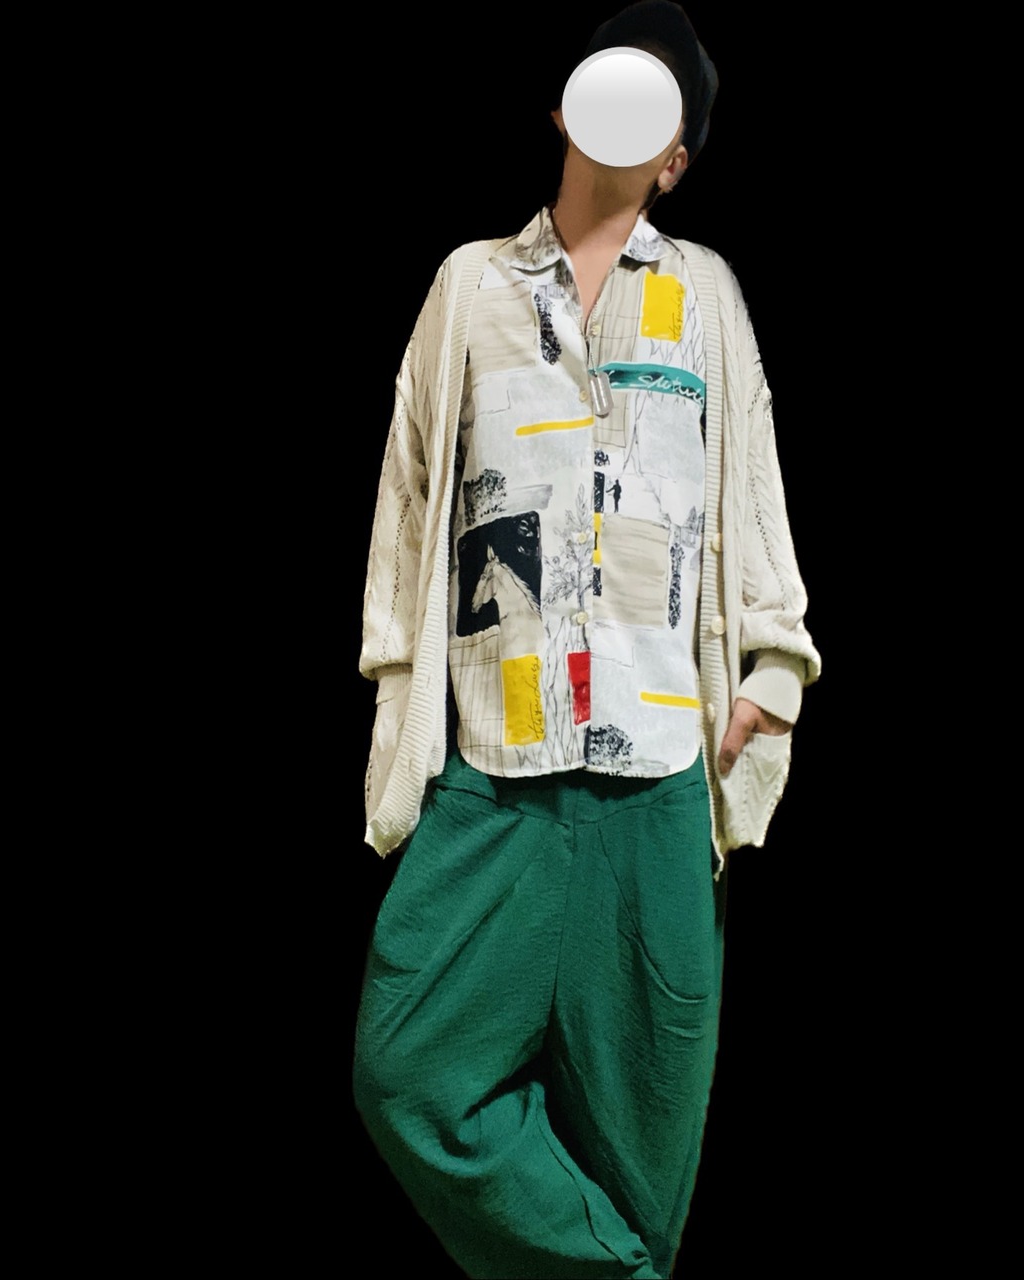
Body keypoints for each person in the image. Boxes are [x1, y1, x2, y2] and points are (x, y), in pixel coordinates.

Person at [352, 4, 820, 1276]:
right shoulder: (469, 284)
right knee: (407, 1071)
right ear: (563, 107)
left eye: (661, 107)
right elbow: (410, 494)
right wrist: (397, 695)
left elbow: (751, 482)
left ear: (676, 159)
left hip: (656, 775)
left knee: (639, 1153)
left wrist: (772, 669)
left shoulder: (704, 292)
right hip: (493, 771)